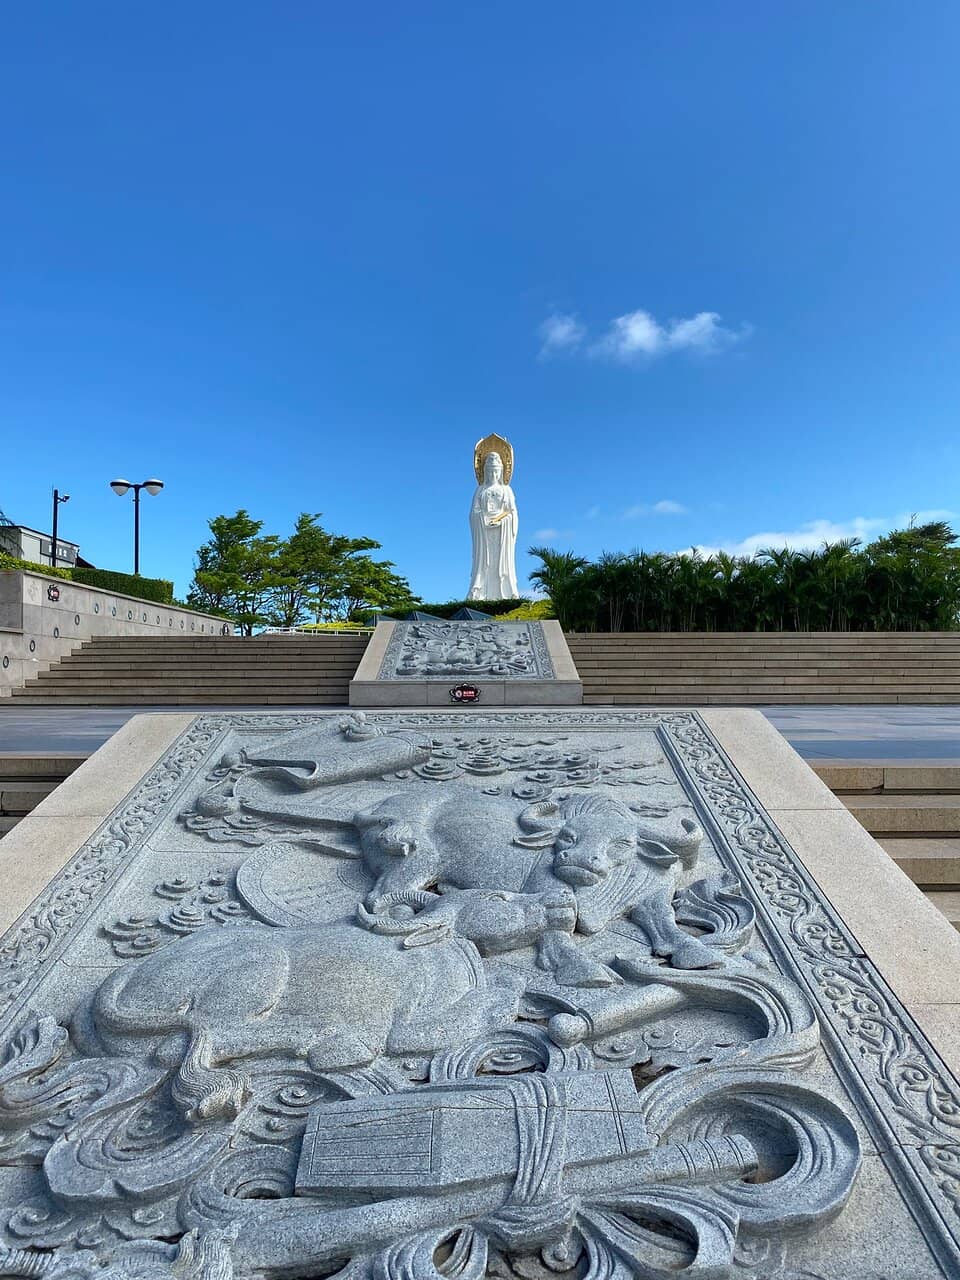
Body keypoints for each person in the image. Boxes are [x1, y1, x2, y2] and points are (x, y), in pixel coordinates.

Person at [468, 450, 519, 600]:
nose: (493, 475)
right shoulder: (480, 490)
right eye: (490, 472)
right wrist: (482, 519)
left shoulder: (507, 490)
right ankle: (480, 594)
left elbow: (512, 513)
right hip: (483, 533)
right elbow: (473, 513)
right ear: (484, 472)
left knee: (501, 565)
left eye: (496, 472)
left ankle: (506, 594)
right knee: (484, 564)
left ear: (501, 472)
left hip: (502, 533)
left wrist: (502, 521)